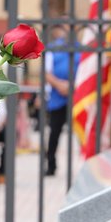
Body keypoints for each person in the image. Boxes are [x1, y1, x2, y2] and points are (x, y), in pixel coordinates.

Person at [44, 23, 75, 176]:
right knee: (54, 133)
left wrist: (73, 86)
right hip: (57, 97)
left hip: (77, 96)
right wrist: (60, 85)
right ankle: (51, 164)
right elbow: (46, 72)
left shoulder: (80, 48)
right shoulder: (52, 48)